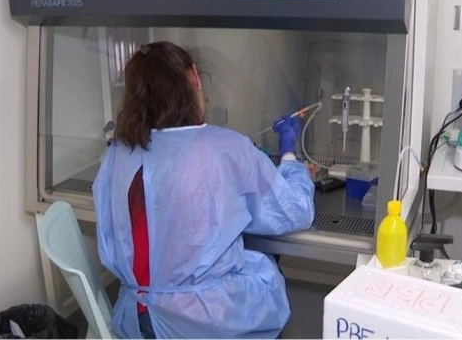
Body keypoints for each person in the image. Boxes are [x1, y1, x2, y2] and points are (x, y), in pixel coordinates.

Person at [92, 41, 315, 339]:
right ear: (194, 77)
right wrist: (289, 156)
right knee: (266, 265)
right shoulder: (226, 147)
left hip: (137, 321)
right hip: (206, 323)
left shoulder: (115, 155)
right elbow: (294, 211)